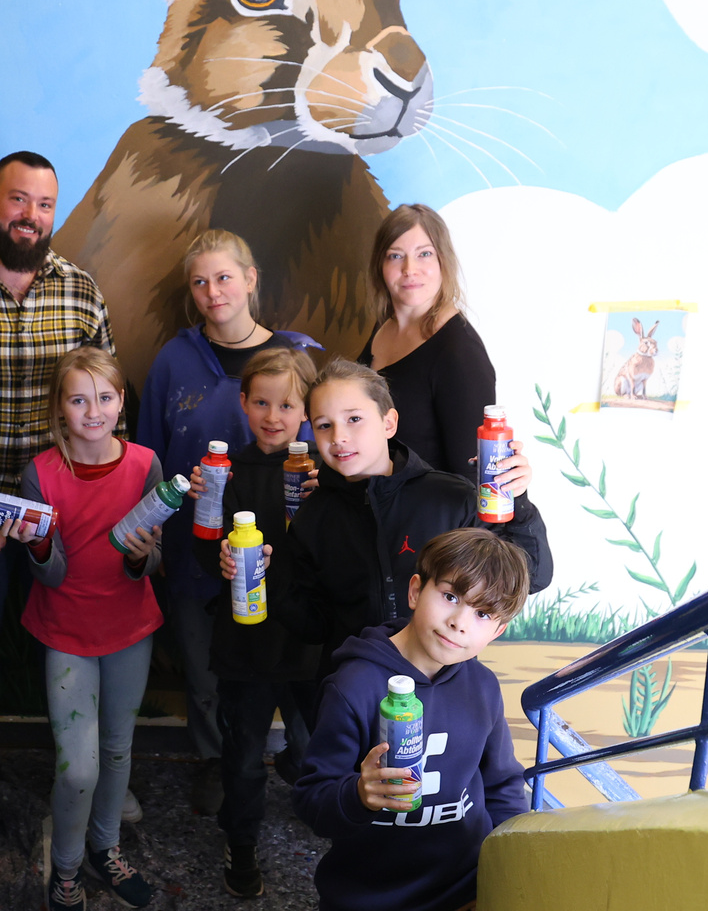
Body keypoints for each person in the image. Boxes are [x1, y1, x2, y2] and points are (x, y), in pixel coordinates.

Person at [138, 229, 320, 813]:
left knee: (300, 672)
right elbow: (150, 455)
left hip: (288, 558)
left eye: (224, 277)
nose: (213, 292)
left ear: (250, 279)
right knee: (205, 670)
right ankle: (219, 762)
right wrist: (157, 541)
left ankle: (310, 766)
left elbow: (322, 451)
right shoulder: (175, 359)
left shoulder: (297, 355)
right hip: (199, 550)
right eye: (200, 281)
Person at [0, 347, 164, 910]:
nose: (94, 411)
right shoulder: (40, 473)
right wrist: (39, 543)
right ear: (60, 407)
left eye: (105, 397)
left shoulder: (145, 465)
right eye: (79, 398)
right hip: (66, 632)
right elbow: (55, 574)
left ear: (120, 403)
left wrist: (141, 557)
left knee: (117, 751)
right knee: (79, 767)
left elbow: (155, 560)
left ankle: (104, 849)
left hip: (131, 628)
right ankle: (65, 866)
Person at [293, 528, 532, 911]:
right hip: (367, 898)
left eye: (483, 613)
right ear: (416, 591)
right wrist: (358, 794)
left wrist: (507, 870)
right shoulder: (354, 686)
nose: (460, 621)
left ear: (498, 631)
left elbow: (502, 786)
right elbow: (310, 800)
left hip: (465, 892)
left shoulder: (484, 686)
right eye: (451, 596)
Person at [267, 360, 551, 668]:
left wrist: (517, 497)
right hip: (352, 689)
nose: (338, 436)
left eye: (354, 419)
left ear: (388, 423)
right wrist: (268, 574)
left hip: (439, 688)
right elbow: (313, 626)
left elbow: (533, 575)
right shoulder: (313, 517)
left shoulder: (452, 498)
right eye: (324, 425)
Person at [192, 346, 323, 898]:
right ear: (243, 404)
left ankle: (323, 805)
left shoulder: (320, 472)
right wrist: (219, 555)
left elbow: (333, 553)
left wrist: (326, 502)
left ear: (306, 413)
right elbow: (204, 552)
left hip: (307, 638)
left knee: (314, 741)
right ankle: (240, 842)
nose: (274, 416)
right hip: (244, 643)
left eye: (287, 405)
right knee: (243, 755)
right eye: (262, 403)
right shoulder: (226, 472)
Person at [0, 151, 117, 495]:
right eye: (18, 199)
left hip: (62, 498)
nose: (31, 216)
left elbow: (110, 402)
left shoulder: (81, 291)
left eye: (45, 205)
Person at [357, 204, 497, 474]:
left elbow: (469, 475)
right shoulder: (382, 328)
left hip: (427, 513)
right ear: (380, 266)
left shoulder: (460, 351)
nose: (410, 269)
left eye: (424, 254)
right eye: (395, 256)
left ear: (443, 261)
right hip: (377, 506)